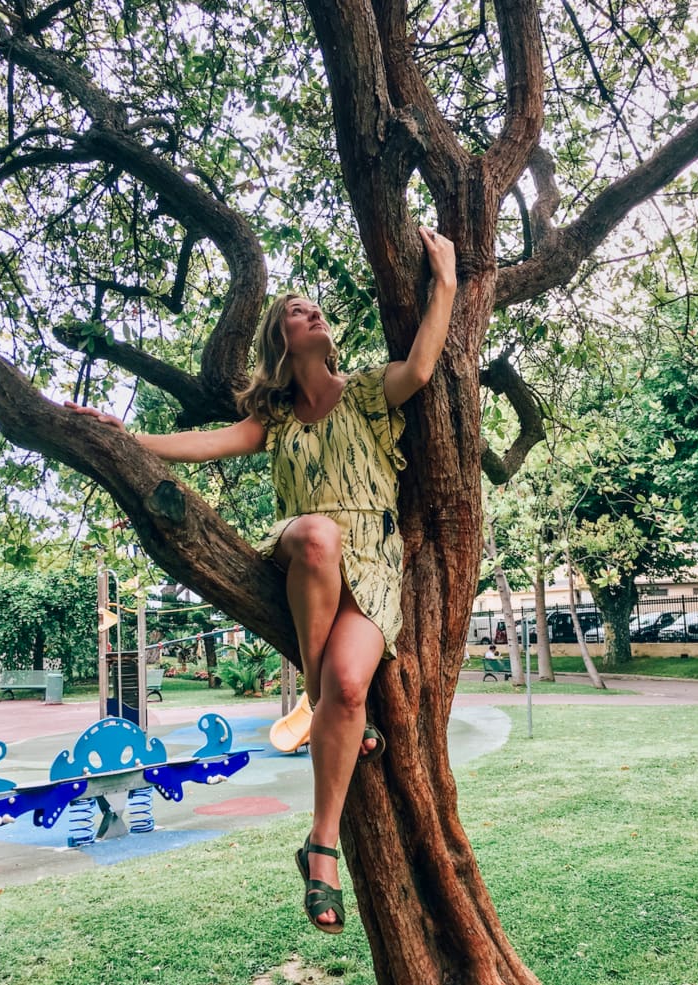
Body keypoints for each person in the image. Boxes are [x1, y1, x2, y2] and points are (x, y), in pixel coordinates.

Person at [67, 225, 456, 933]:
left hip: (373, 560)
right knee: (316, 535)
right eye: (295, 311)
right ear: (280, 339)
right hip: (308, 549)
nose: (311, 313)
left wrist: (448, 281)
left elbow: (424, 366)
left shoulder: (368, 392)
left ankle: (320, 845)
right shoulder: (272, 419)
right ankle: (311, 702)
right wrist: (124, 438)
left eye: (315, 309)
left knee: (347, 688)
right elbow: (199, 445)